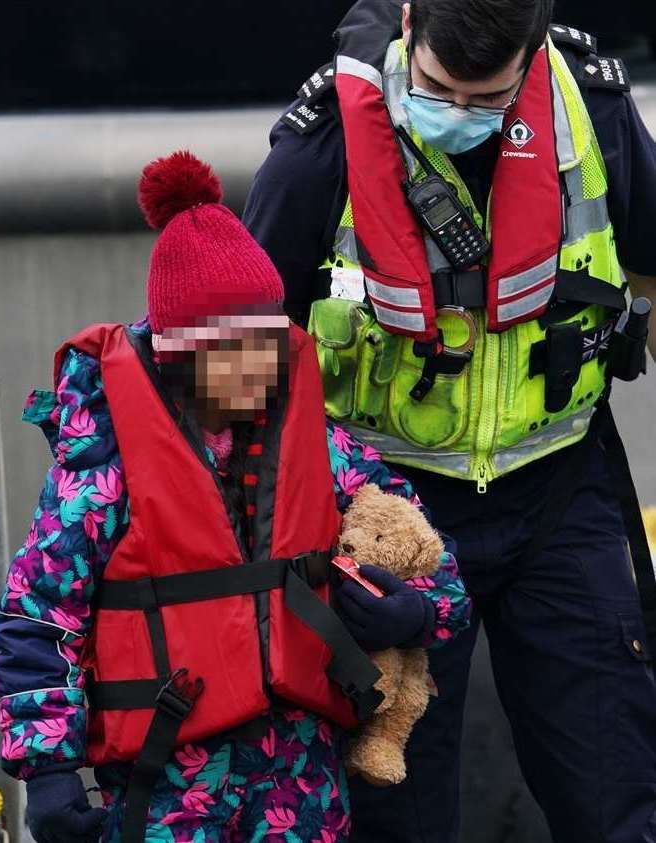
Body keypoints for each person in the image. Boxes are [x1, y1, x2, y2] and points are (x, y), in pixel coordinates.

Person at [242, 1, 656, 841]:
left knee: (618, 794)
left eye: (488, 99)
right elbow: (240, 361)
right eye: (438, 90)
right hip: (388, 520)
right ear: (406, 25)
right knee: (397, 805)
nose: (461, 115)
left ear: (532, 55)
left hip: (562, 493)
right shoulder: (322, 143)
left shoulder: (597, 110)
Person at [0, 150, 470, 843]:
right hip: (168, 790)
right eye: (232, 349)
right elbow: (38, 616)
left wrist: (415, 612)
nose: (258, 368)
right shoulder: (100, 467)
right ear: (180, 353)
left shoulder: (323, 449)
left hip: (302, 782)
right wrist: (49, 772)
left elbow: (433, 564)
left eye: (269, 343)